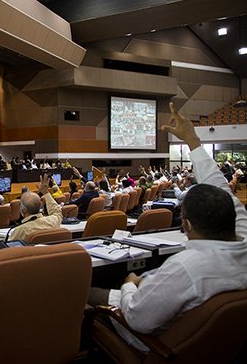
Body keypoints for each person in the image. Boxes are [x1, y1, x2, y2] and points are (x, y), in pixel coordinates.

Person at [88, 102, 247, 352]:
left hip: (156, 345)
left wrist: (129, 283)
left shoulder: (186, 268)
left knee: (86, 295)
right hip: (220, 347)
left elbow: (136, 318)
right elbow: (221, 187)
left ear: (187, 224)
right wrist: (193, 141)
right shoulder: (243, 237)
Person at [9, 175, 63, 241]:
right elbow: (57, 212)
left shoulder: (19, 231)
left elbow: (9, 249)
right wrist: (46, 193)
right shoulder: (52, 221)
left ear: (23, 211)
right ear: (41, 206)